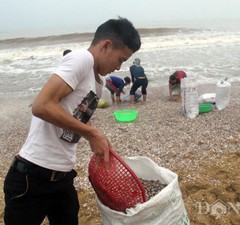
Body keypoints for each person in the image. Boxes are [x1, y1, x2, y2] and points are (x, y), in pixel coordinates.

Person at [3, 17, 141, 225]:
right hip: (31, 177)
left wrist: (98, 137)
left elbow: (77, 117)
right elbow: (41, 105)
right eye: (121, 59)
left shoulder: (99, 81)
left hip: (63, 178)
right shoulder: (81, 59)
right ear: (106, 45)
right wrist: (91, 134)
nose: (119, 67)